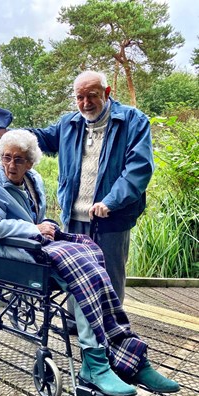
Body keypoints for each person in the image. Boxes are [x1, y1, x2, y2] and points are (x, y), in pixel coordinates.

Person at [0, 130, 179, 396]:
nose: (11, 165)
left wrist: (42, 227)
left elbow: (33, 215)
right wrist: (34, 228)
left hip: (35, 242)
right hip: (9, 249)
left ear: (31, 162)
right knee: (81, 275)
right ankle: (97, 364)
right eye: (6, 158)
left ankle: (129, 355)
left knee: (92, 259)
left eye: (19, 159)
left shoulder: (33, 179)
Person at [27, 71, 154, 305]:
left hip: (110, 217)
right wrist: (8, 132)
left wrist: (111, 202)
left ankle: (110, 329)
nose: (85, 103)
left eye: (92, 96)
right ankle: (76, 323)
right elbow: (40, 139)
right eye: (79, 97)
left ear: (107, 93)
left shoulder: (133, 120)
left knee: (109, 277)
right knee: (75, 273)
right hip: (74, 216)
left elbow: (139, 168)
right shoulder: (69, 123)